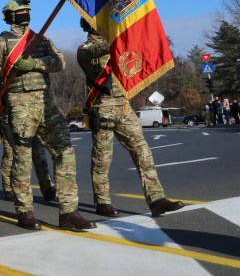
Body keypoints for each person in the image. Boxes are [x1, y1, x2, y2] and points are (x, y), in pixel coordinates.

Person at [0, 0, 95, 231]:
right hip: (19, 105)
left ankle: (69, 211)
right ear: (8, 17)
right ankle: (25, 211)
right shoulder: (0, 44)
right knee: (22, 160)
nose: (24, 14)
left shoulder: (41, 39)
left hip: (47, 104)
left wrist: (35, 64)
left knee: (65, 153)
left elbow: (59, 62)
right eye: (20, 11)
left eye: (27, 10)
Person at [77, 18, 185, 218]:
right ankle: (102, 201)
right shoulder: (85, 49)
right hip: (103, 108)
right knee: (102, 158)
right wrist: (120, 36)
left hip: (124, 106)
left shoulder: (117, 41)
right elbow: (101, 49)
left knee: (142, 151)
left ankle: (156, 199)